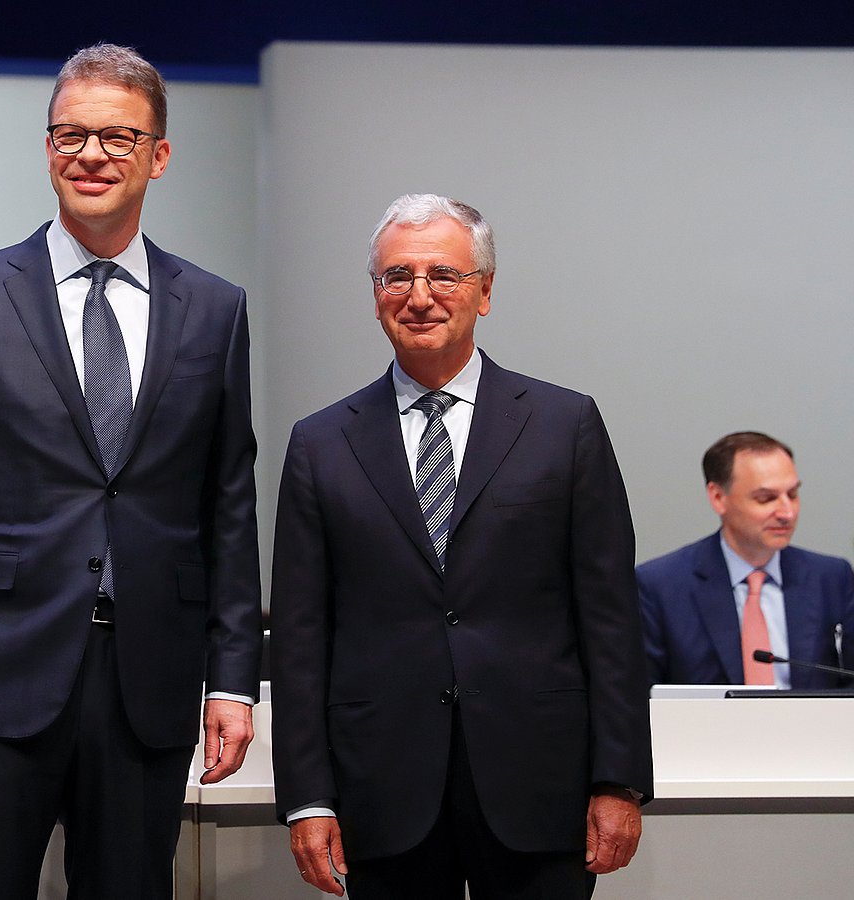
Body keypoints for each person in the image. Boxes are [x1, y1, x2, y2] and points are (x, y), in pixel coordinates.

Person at [0, 43, 262, 899]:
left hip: (147, 682)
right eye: (70, 136)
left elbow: (228, 505)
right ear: (48, 147)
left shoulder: (216, 309)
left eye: (119, 139)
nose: (91, 156)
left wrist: (235, 677)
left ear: (159, 155)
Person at [269, 194, 652, 899]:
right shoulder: (321, 444)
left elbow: (611, 618)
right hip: (381, 791)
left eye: (442, 275)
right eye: (396, 277)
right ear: (376, 293)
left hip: (541, 788)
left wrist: (618, 779)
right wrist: (307, 797)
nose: (419, 296)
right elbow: (299, 637)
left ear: (485, 290)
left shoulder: (565, 425)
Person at [637, 431, 854, 688]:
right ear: (718, 498)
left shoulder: (831, 577)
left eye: (793, 495)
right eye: (766, 498)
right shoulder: (661, 585)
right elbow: (643, 695)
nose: (786, 512)